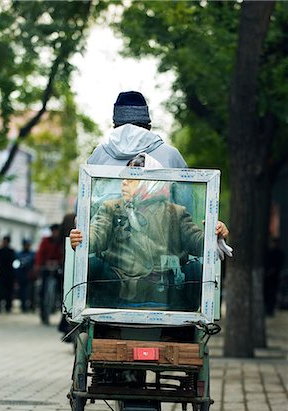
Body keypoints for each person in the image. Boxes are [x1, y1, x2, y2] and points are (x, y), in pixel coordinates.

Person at [70, 154, 229, 311]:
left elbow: (197, 242)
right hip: (119, 286)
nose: (124, 183)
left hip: (166, 288)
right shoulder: (112, 208)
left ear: (150, 183)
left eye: (131, 179)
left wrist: (214, 234)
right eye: (124, 178)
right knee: (93, 264)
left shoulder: (175, 213)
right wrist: (82, 239)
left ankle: (181, 323)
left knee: (195, 269)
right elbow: (96, 234)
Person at [87, 91, 187, 168]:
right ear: (148, 127)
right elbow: (186, 193)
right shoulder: (171, 155)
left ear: (115, 127)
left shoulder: (98, 155)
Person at [35, 224, 62, 324]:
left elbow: (63, 254)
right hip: (46, 268)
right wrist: (38, 265)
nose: (55, 233)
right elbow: (40, 254)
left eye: (57, 231)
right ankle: (43, 313)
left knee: (61, 289)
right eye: (54, 231)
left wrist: (59, 263)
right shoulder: (45, 241)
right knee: (42, 291)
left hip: (57, 269)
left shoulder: (61, 242)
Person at [0, 235, 16, 313]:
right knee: (0, 291)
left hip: (9, 274)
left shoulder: (11, 251)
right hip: (1, 273)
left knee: (8, 292)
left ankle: (8, 307)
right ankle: (0, 306)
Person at [16, 239, 35, 312]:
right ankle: (23, 306)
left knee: (31, 292)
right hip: (22, 275)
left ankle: (31, 306)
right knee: (22, 292)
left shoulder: (32, 254)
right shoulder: (19, 254)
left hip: (30, 275)